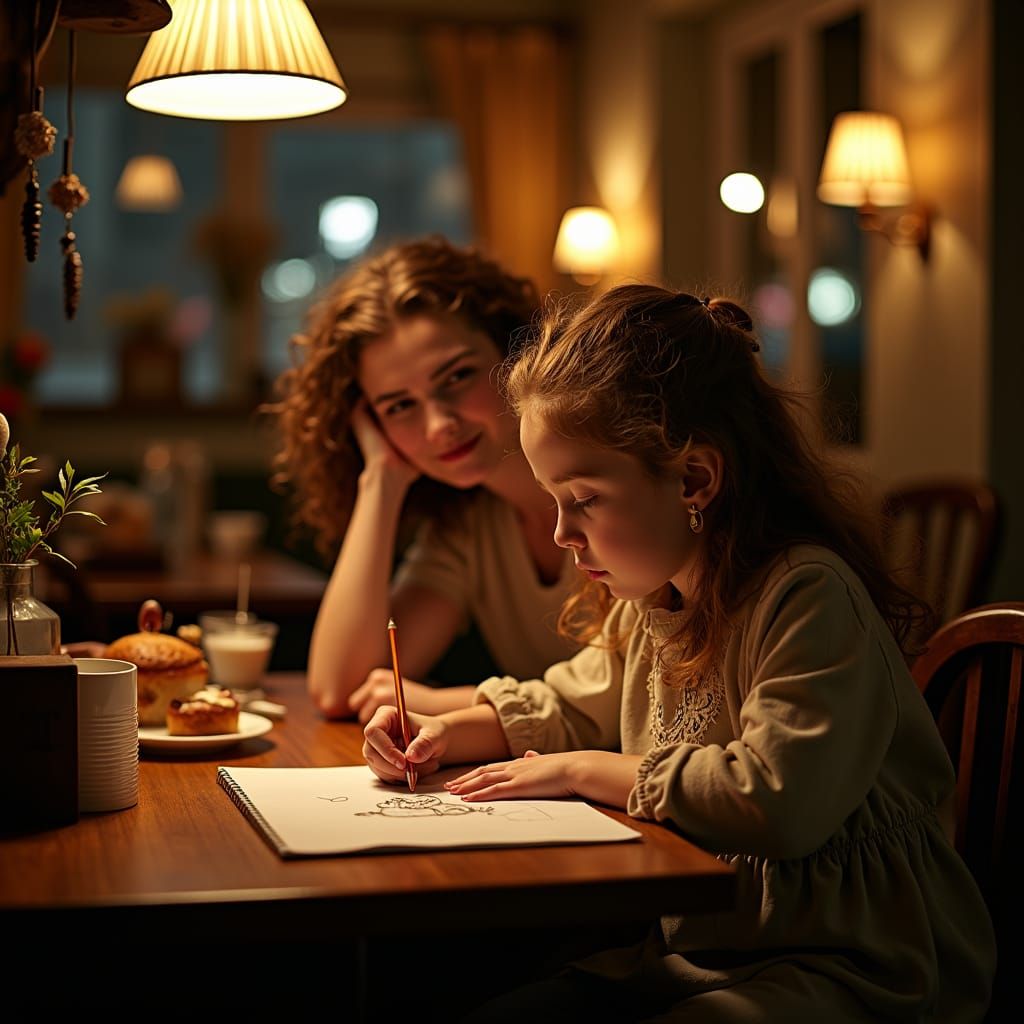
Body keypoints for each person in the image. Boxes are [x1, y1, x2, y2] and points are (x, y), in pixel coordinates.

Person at [362, 284, 997, 1021]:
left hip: (854, 961)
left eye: (584, 498)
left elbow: (777, 800)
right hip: (708, 949)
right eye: (552, 499)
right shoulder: (654, 598)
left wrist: (580, 769)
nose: (563, 532)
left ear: (694, 478)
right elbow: (568, 701)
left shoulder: (806, 594)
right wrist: (442, 736)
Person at [267, 236, 579, 723]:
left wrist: (449, 702)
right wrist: (381, 479)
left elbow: (634, 696)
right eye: (400, 406)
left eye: (456, 377)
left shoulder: (612, 485)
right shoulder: (468, 527)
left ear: (517, 352)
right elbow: (341, 688)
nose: (438, 425)